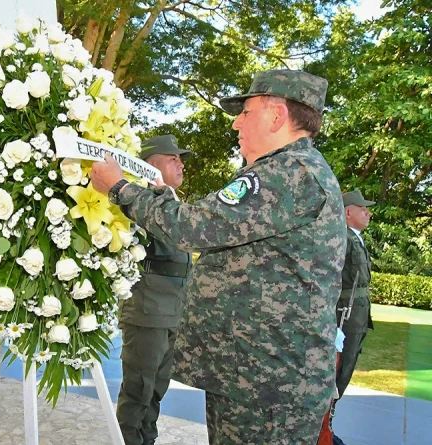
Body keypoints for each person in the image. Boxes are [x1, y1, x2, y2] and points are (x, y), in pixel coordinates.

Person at [91, 70, 347, 444]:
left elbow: (194, 228)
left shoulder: (289, 172)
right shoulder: (294, 170)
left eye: (246, 112)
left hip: (268, 384)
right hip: (259, 374)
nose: (236, 123)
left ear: (277, 115)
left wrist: (119, 188)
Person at [115, 135, 194, 445]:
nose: (181, 163)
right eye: (173, 158)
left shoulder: (170, 203)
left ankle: (146, 440)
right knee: (139, 391)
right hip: (147, 311)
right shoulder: (140, 202)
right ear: (150, 165)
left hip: (172, 311)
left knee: (157, 389)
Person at [332, 190, 375, 444]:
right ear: (348, 212)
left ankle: (326, 427)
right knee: (337, 374)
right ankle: (321, 430)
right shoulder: (343, 239)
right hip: (344, 318)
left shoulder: (355, 239)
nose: (368, 213)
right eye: (362, 208)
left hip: (356, 318)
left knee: (345, 371)